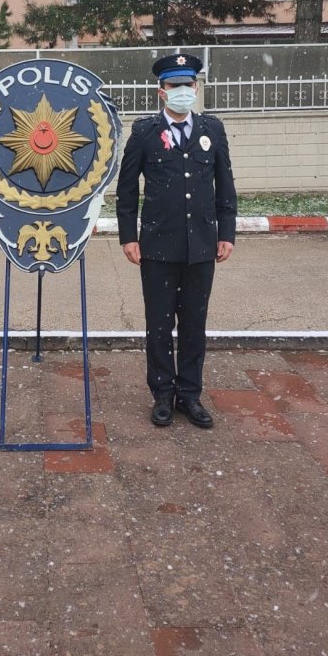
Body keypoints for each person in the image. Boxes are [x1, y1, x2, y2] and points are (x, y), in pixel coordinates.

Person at [116, 53, 237, 429]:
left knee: (194, 326)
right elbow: (126, 190)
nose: (182, 92)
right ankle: (163, 395)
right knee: (158, 325)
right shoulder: (144, 133)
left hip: (201, 244)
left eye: (188, 85)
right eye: (174, 86)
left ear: (196, 88)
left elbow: (225, 184)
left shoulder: (212, 130)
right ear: (161, 92)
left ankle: (190, 395)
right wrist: (128, 237)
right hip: (157, 245)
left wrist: (227, 233)